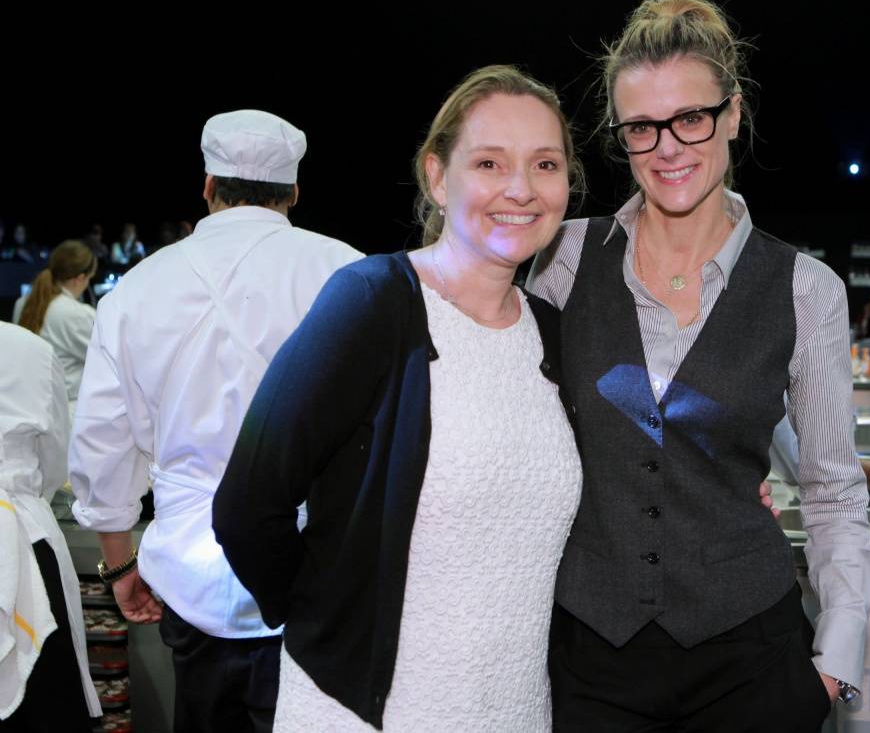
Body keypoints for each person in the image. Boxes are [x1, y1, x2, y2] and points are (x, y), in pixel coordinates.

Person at [527, 0, 870, 731]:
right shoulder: (560, 261)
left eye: (691, 118)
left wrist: (835, 663)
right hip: (591, 659)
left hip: (751, 659)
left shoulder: (806, 290)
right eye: (642, 128)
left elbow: (833, 492)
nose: (669, 147)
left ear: (734, 115)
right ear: (619, 135)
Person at [212, 65, 582, 732]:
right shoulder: (373, 301)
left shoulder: (553, 333)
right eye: (490, 162)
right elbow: (247, 504)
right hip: (369, 712)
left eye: (545, 164)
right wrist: (327, 622)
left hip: (517, 712)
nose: (521, 189)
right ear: (438, 177)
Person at [68, 109, 362, 733]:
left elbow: (103, 441)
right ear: (295, 191)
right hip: (313, 565)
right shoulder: (347, 272)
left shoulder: (138, 288)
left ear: (207, 185)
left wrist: (120, 566)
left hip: (190, 571)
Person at [0, 321, 102, 731]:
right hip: (22, 533)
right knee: (44, 709)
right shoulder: (28, 348)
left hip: (20, 533)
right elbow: (56, 460)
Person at [14, 240, 98, 403]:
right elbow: (109, 361)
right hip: (68, 410)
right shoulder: (79, 314)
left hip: (29, 403)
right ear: (80, 278)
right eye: (89, 278)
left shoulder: (22, 304)